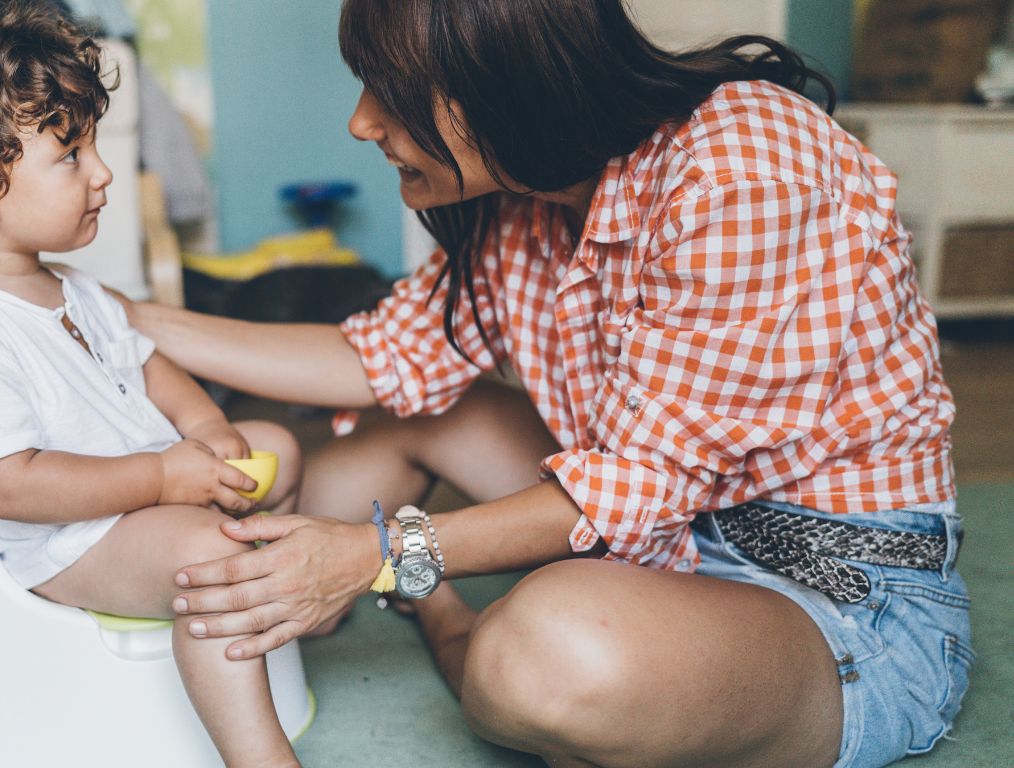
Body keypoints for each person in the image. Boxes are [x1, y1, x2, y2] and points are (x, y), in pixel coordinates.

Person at [126, 1, 971, 766]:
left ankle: (442, 613)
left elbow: (642, 485)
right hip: (672, 529)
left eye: (388, 91)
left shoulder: (743, 170)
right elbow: (380, 357)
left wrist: (380, 561)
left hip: (841, 597)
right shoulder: (527, 196)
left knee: (541, 656)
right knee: (423, 415)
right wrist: (125, 320)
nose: (360, 123)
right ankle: (264, 567)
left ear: (506, 79)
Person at [0, 3, 305, 766]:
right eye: (70, 155)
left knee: (277, 446)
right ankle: (258, 752)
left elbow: (150, 363)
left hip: (151, 489)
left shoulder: (71, 287)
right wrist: (161, 476)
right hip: (72, 543)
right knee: (214, 557)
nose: (103, 172)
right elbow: (14, 487)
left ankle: (288, 618)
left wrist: (207, 428)